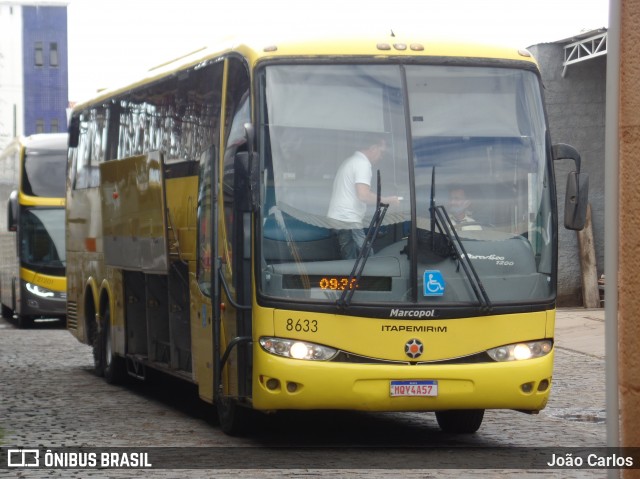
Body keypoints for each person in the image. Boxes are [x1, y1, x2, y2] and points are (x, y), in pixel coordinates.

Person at [327, 137, 400, 259]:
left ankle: (354, 276)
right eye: (381, 152)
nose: (381, 156)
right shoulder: (362, 164)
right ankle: (373, 278)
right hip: (348, 218)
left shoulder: (350, 161)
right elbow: (363, 195)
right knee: (367, 257)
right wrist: (388, 200)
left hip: (338, 217)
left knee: (349, 257)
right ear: (373, 148)